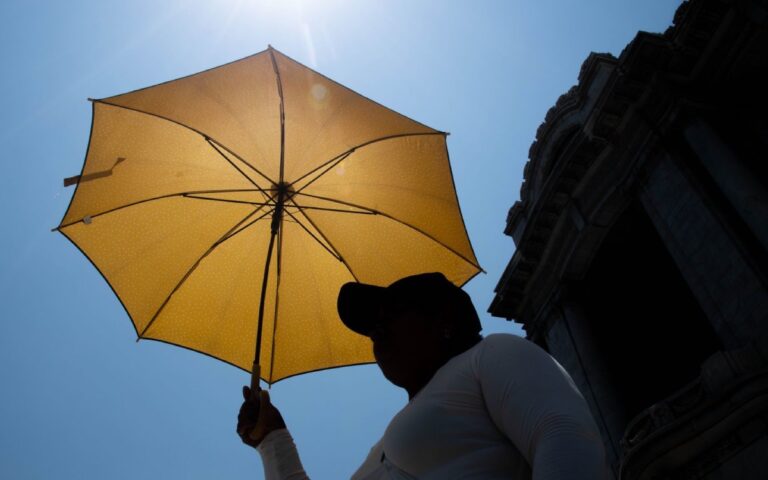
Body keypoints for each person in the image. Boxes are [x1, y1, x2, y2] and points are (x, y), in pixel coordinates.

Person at [237, 272, 608, 479]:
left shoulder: (491, 353)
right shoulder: (382, 447)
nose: (376, 331)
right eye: (372, 327)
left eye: (391, 315)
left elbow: (563, 436)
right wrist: (273, 439)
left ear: (442, 323)